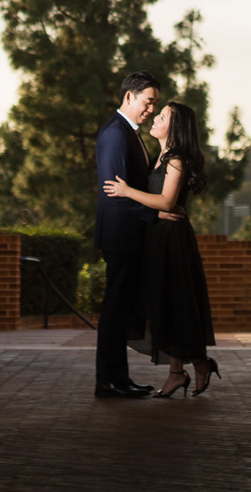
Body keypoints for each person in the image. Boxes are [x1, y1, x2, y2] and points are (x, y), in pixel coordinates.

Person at [103, 100, 221, 397]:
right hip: (158, 237)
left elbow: (168, 202)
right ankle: (184, 370)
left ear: (175, 126)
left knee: (174, 303)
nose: (155, 117)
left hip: (173, 241)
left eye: (163, 116)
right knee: (165, 304)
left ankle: (188, 368)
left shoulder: (177, 159)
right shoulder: (161, 156)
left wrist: (127, 191)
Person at [91, 70, 160, 399]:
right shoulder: (117, 134)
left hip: (130, 234)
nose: (151, 110)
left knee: (121, 308)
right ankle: (109, 381)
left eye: (155, 104)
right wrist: (158, 213)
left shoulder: (130, 133)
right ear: (129, 96)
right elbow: (115, 193)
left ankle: (118, 379)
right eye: (148, 102)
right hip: (122, 235)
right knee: (115, 309)